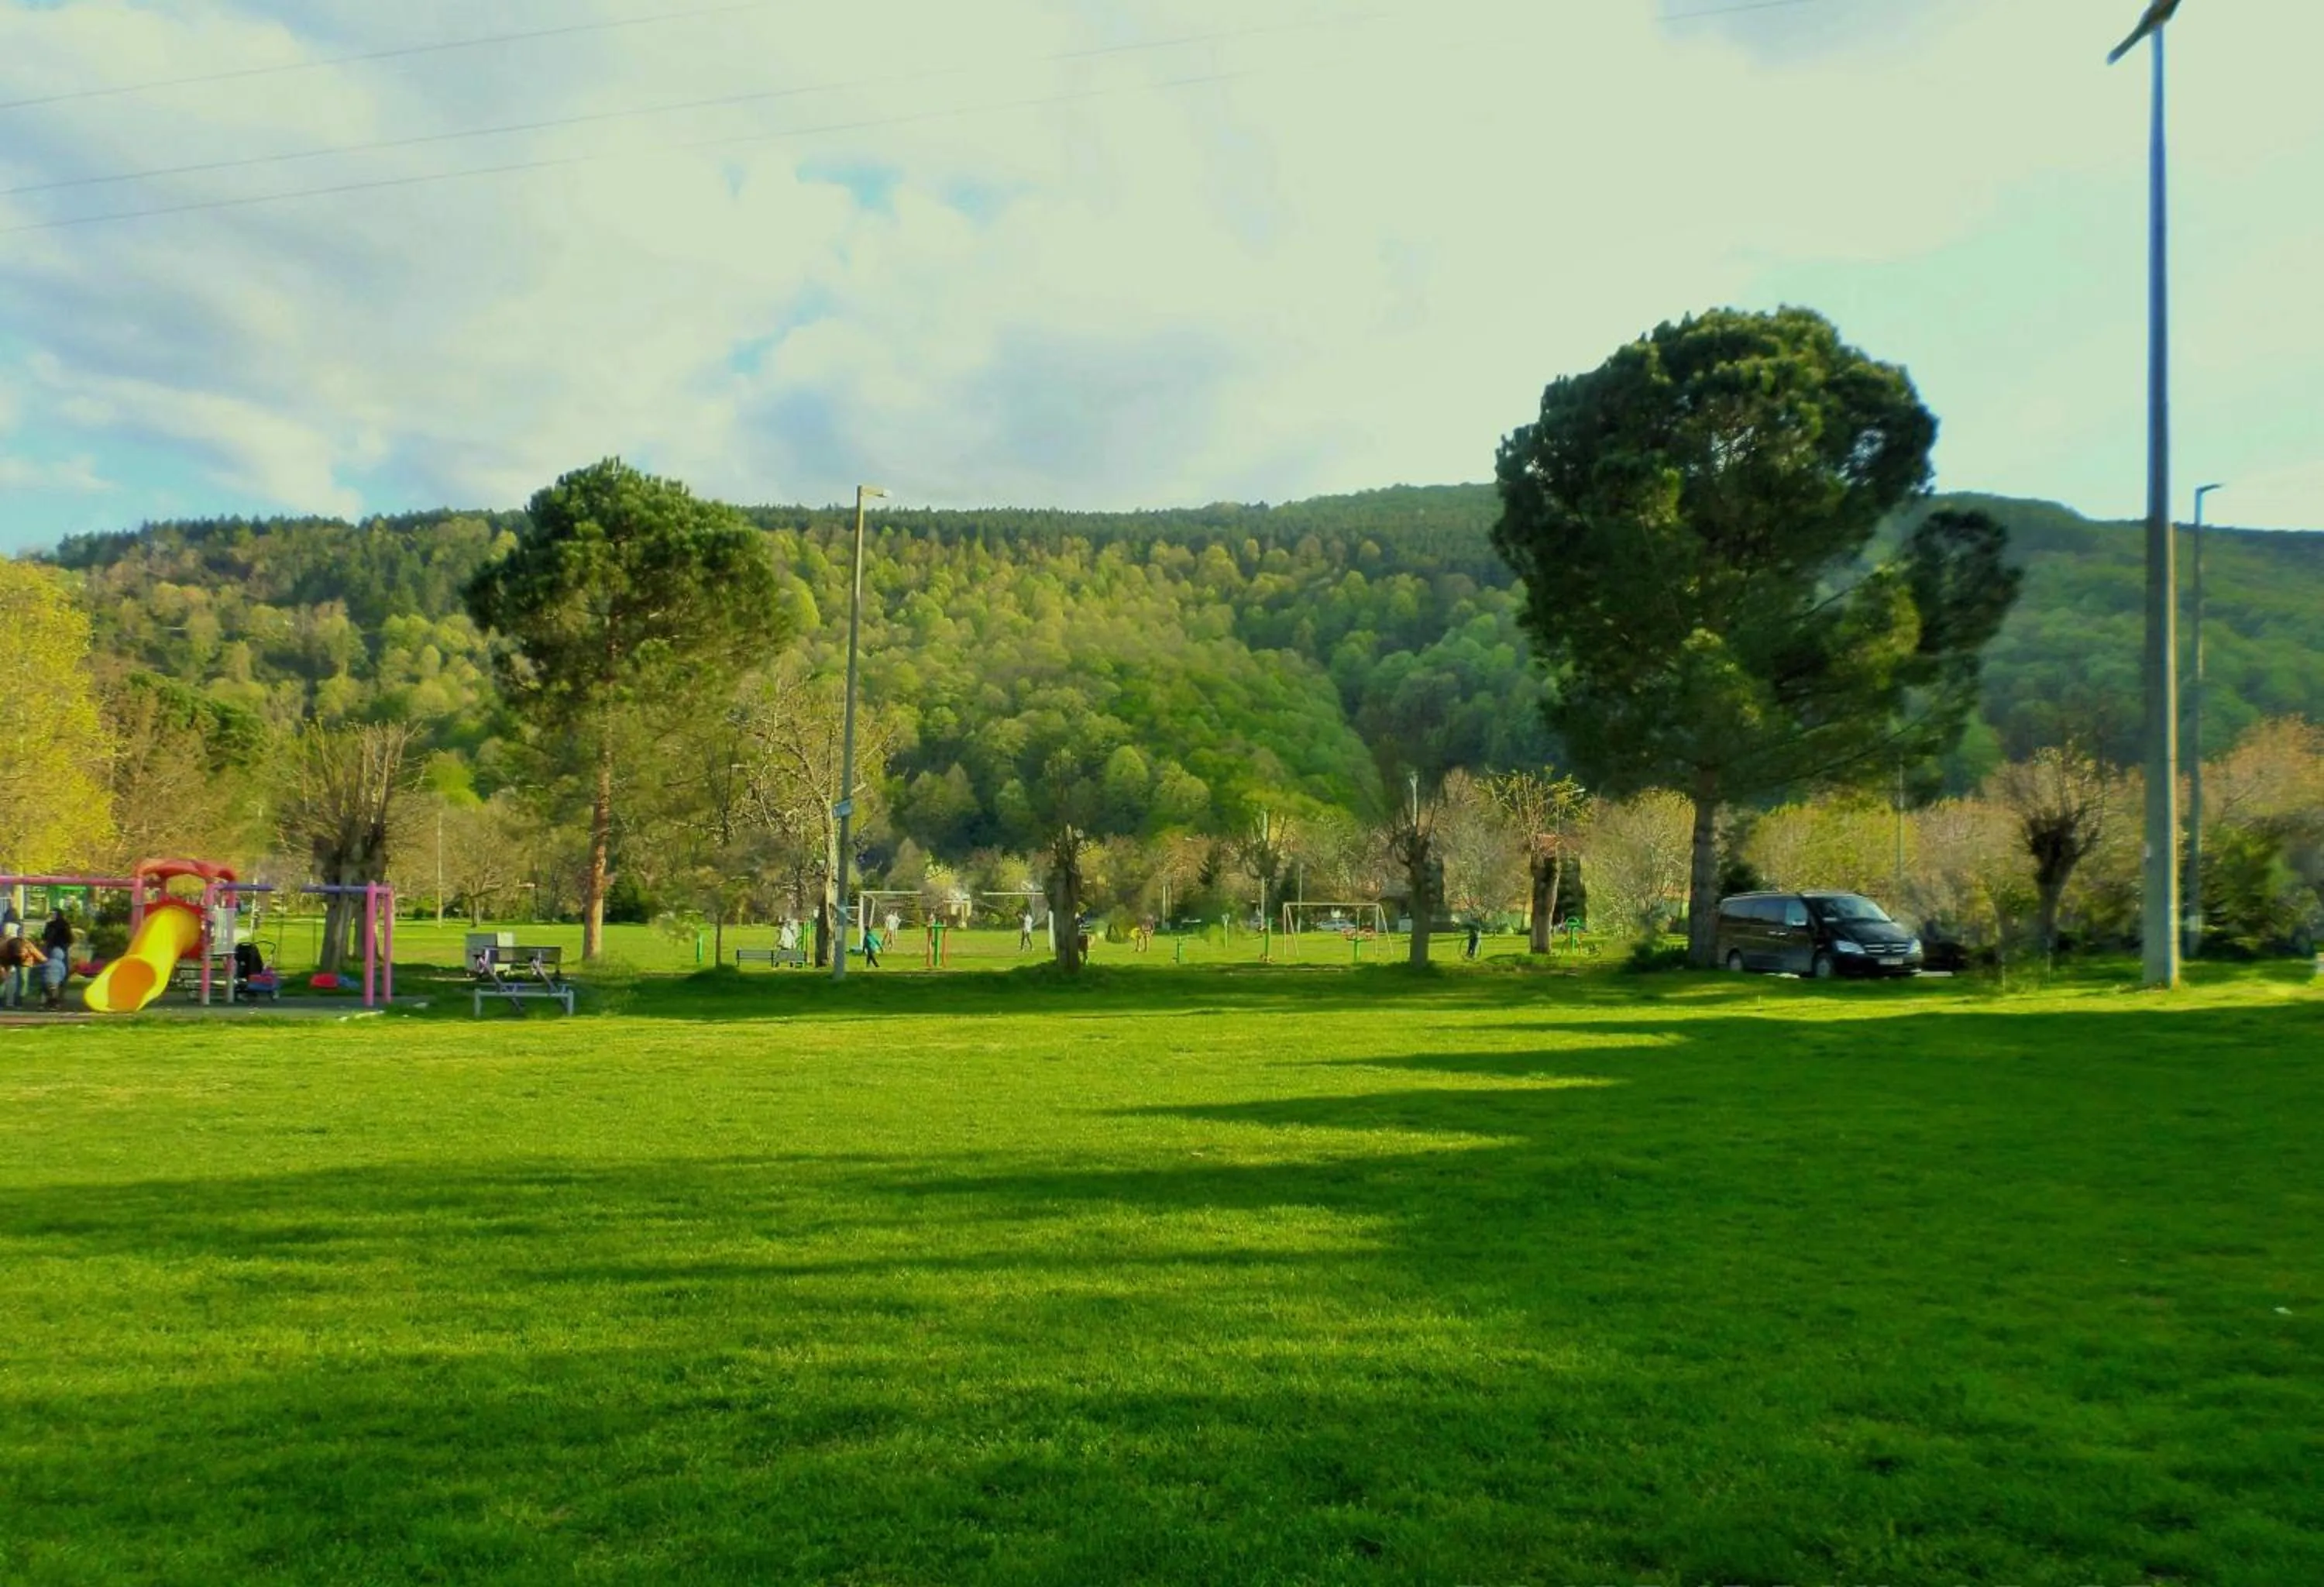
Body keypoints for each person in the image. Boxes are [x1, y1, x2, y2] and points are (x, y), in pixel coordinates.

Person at [40, 907, 74, 1010]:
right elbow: (70, 938)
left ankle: (49, 999)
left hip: (53, 949)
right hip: (61, 950)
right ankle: (57, 999)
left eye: (53, 914)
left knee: (50, 972)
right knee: (60, 974)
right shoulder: (64, 924)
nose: (52, 915)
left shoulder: (52, 925)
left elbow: (46, 937)